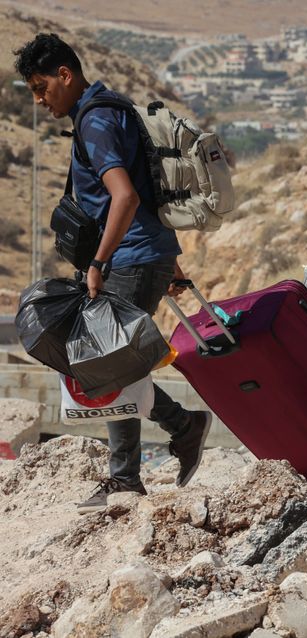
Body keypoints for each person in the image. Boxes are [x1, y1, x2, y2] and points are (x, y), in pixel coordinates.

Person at [14, 33, 212, 514]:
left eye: (43, 88)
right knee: (115, 360)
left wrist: (99, 263)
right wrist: (168, 261)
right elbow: (151, 190)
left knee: (106, 358)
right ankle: (177, 430)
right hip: (144, 253)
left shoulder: (96, 120)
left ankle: (131, 472)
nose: (41, 101)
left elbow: (125, 196)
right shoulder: (112, 109)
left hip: (127, 258)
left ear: (66, 75)